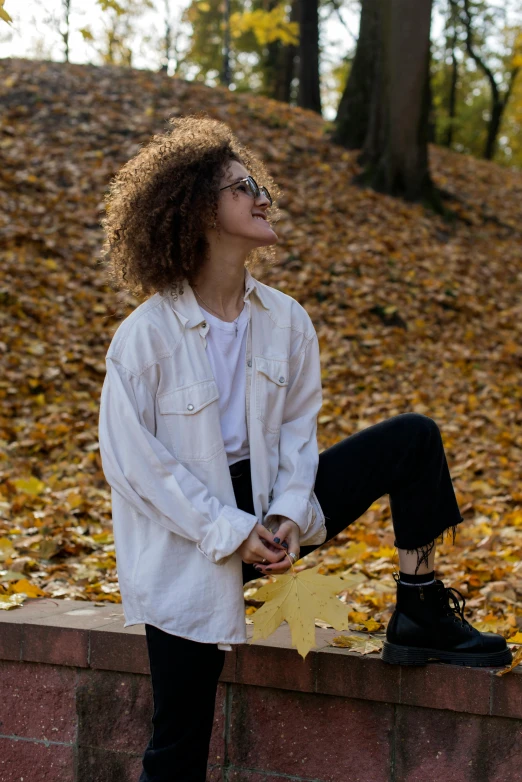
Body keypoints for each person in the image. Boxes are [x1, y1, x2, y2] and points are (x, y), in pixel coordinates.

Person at [97, 114, 511, 782]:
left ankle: (421, 606)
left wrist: (289, 514)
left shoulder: (286, 320)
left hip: (272, 510)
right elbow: (136, 467)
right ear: (201, 210)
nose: (264, 198)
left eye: (259, 185)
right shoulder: (145, 337)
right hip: (187, 537)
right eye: (244, 188)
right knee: (177, 746)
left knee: (412, 439)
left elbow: (298, 434)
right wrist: (233, 532)